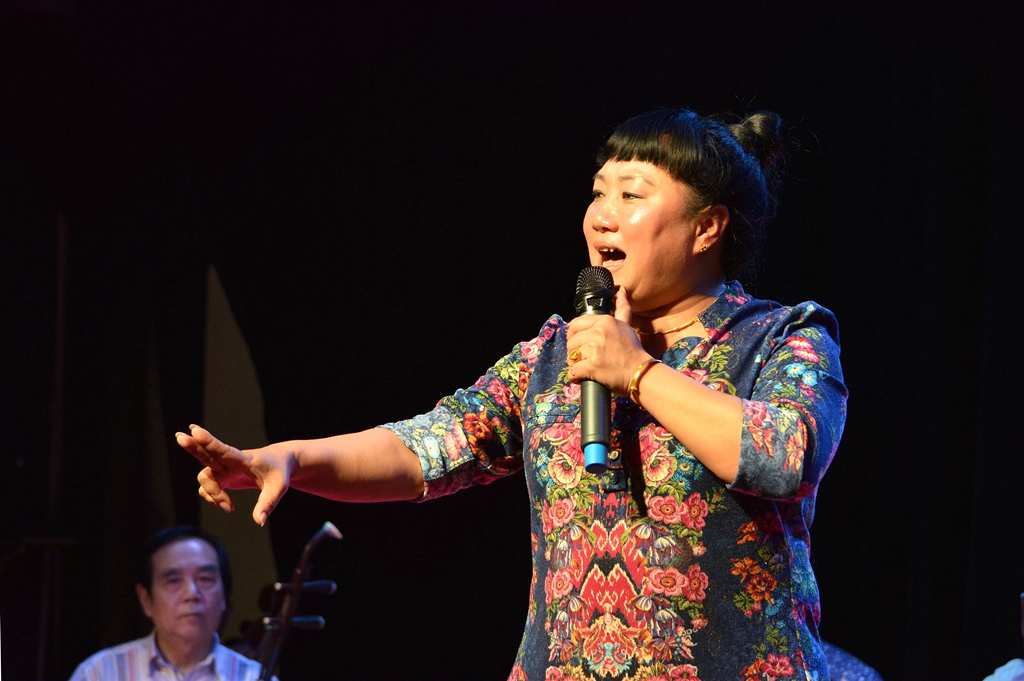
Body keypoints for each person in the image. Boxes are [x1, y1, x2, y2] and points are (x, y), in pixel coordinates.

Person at [176, 107, 848, 681]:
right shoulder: (555, 353)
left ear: (707, 227)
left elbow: (784, 457)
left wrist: (638, 372)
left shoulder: (781, 338)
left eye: (632, 195)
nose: (603, 217)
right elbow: (428, 447)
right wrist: (293, 458)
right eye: (599, 193)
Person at [70, 526, 265, 681]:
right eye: (173, 581)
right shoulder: (99, 673)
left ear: (223, 598)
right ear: (146, 600)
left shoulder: (254, 677)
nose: (192, 594)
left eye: (205, 579)